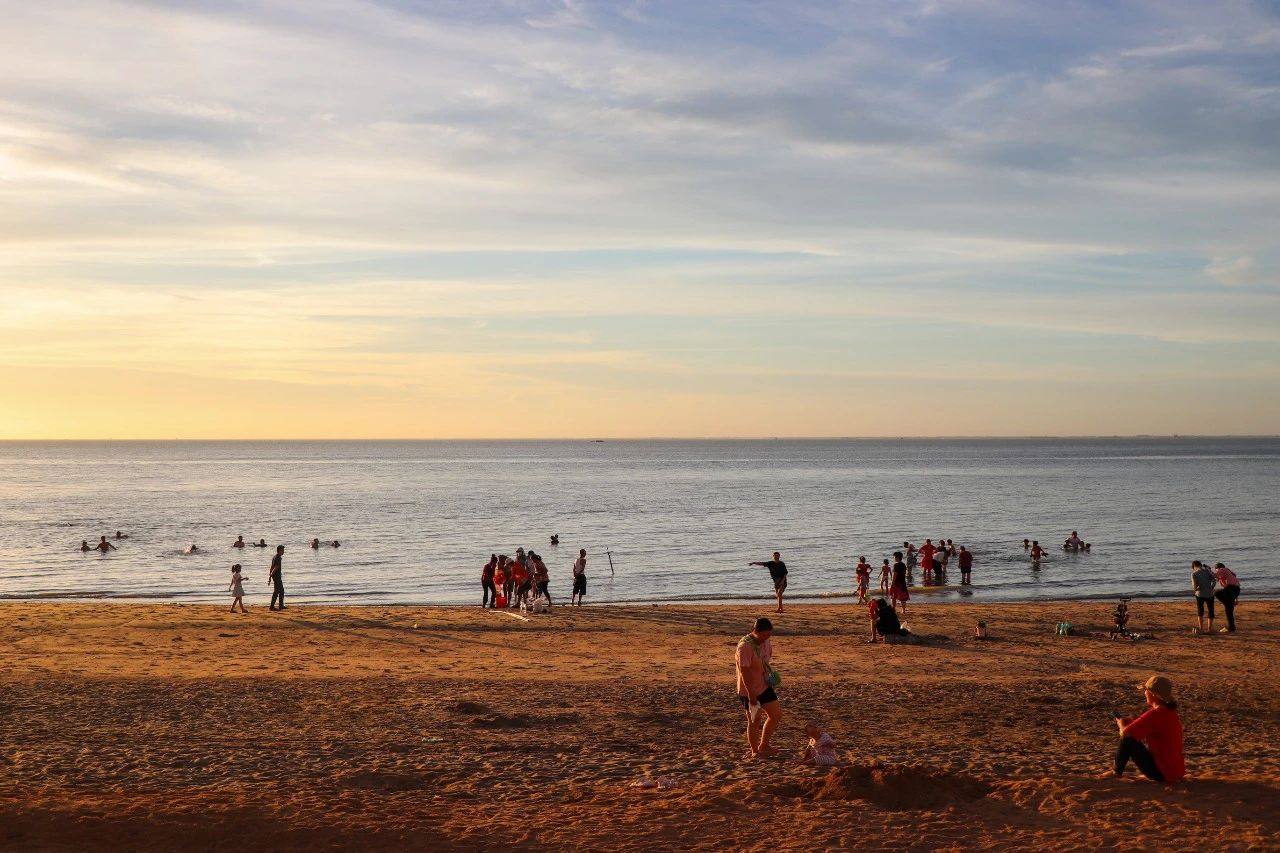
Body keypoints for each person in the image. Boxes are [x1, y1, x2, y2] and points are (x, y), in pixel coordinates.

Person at [1113, 675, 1185, 784]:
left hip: (1163, 773)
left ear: (1153, 694)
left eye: (1146, 690)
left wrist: (1121, 725)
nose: (1145, 693)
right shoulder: (1170, 712)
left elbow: (1126, 734)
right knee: (1129, 735)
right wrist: (1131, 724)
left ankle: (1116, 772)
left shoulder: (1156, 713)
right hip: (1176, 771)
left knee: (1127, 739)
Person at [735, 617, 781, 760]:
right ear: (755, 631)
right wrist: (751, 694)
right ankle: (754, 750)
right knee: (754, 721)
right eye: (764, 635)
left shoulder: (766, 642)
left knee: (776, 715)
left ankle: (764, 745)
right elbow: (744, 672)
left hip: (764, 685)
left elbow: (766, 660)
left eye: (769, 635)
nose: (766, 638)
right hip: (748, 689)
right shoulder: (745, 646)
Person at [1213, 562, 1241, 633]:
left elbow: (1214, 575)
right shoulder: (1229, 574)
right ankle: (1232, 627)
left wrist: (1207, 570)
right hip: (1235, 591)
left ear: (1218, 568)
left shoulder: (1222, 569)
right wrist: (1236, 599)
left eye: (1216, 570)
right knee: (1229, 610)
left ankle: (1226, 603)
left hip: (1231, 589)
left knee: (1216, 592)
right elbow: (1235, 587)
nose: (1217, 571)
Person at [1192, 560, 1216, 634]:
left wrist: (1196, 589)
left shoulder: (1194, 574)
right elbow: (1214, 581)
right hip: (1209, 594)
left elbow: (1195, 586)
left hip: (1200, 594)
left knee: (1200, 611)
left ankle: (1201, 629)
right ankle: (1209, 629)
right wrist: (1211, 587)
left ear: (1194, 566)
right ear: (1200, 565)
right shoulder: (1207, 571)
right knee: (1210, 610)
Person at [268, 545, 286, 611]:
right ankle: (272, 606)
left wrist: (270, 575)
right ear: (280, 550)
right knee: (277, 591)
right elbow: (276, 567)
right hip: (276, 576)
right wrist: (271, 574)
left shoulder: (275, 557)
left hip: (275, 576)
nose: (283, 551)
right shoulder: (278, 558)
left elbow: (272, 566)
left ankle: (280, 605)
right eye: (283, 550)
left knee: (280, 591)